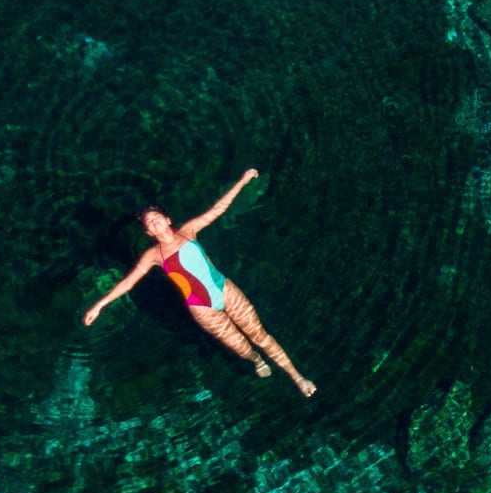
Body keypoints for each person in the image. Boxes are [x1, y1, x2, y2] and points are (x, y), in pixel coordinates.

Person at [82, 169, 317, 397]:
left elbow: (218, 209)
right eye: (149, 224)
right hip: (201, 308)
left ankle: (297, 377)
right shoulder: (153, 256)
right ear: (149, 233)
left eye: (156, 218)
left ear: (167, 219)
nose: (154, 223)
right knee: (242, 348)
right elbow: (128, 283)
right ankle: (256, 360)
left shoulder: (188, 231)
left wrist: (242, 182)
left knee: (260, 336)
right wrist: (99, 305)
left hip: (224, 290)